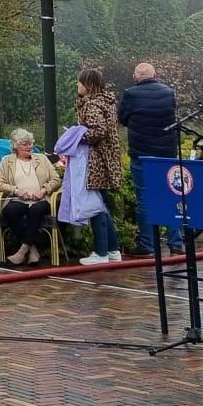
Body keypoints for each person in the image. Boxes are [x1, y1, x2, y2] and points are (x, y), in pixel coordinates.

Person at [117, 62, 179, 256]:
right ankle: (176, 243)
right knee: (171, 196)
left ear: (136, 77)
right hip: (167, 154)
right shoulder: (169, 92)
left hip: (142, 154)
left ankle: (147, 245)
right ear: (155, 74)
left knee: (144, 199)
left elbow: (123, 119)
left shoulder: (131, 94)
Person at [74, 68, 124, 266]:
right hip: (106, 159)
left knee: (96, 206)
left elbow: (97, 130)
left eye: (80, 82)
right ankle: (113, 250)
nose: (77, 86)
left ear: (89, 85)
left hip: (97, 161)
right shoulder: (106, 102)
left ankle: (101, 252)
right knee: (101, 204)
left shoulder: (93, 104)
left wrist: (77, 136)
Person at [0, 128, 61, 266]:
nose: (29, 146)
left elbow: (56, 179)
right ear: (15, 145)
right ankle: (32, 249)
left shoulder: (42, 159)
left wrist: (43, 191)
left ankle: (22, 251)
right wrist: (16, 190)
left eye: (30, 143)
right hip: (19, 199)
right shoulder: (7, 161)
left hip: (41, 200)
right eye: (25, 144)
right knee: (9, 211)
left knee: (35, 210)